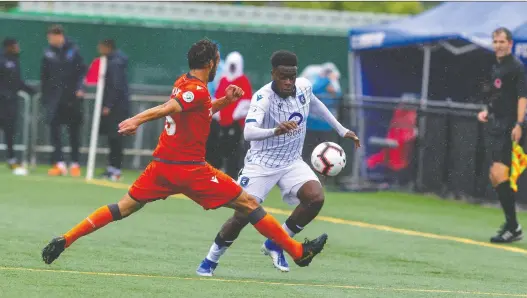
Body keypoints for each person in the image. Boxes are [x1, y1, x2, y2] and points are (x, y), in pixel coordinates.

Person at [41, 40, 328, 269]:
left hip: (161, 168)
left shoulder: (186, 83)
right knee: (249, 203)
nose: (218, 64)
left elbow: (196, 110)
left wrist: (225, 101)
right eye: (216, 60)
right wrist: (136, 120)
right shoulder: (194, 90)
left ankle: (66, 239)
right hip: (190, 170)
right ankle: (297, 252)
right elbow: (170, 108)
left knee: (121, 208)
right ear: (211, 63)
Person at [196, 50, 360, 276]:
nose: (288, 81)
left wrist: (342, 130)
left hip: (292, 162)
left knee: (315, 197)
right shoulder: (263, 98)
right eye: (283, 76)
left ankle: (276, 243)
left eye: (292, 76)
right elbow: (249, 132)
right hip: (261, 163)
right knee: (242, 215)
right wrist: (275, 130)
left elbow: (316, 104)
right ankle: (210, 260)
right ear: (273, 74)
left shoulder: (303, 86)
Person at [477, 27, 527, 243]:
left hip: (509, 127)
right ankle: (511, 223)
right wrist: (487, 112)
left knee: (500, 173)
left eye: (502, 41)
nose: (498, 45)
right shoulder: (496, 67)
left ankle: (513, 226)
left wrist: (519, 123)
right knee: (495, 175)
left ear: (510, 44)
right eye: (495, 41)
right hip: (496, 125)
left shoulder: (516, 67)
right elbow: (497, 96)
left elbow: (521, 98)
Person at [40, 24, 86, 177]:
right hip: (54, 99)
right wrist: (46, 97)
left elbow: (81, 72)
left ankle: (75, 163)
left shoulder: (74, 51)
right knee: (55, 132)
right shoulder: (47, 53)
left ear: (59, 36)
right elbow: (44, 77)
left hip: (72, 99)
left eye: (52, 37)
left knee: (74, 132)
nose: (50, 40)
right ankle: (59, 164)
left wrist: (80, 88)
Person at [210, 51, 252, 178]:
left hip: (234, 124)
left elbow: (246, 102)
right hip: (219, 122)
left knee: (233, 152)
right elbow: (217, 97)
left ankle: (231, 177)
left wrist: (235, 115)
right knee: (216, 149)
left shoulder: (243, 80)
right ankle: (215, 175)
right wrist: (216, 115)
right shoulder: (223, 79)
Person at [96, 39, 130, 181]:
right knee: (112, 138)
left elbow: (115, 86)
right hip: (117, 107)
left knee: (116, 138)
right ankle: (112, 168)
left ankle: (116, 169)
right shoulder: (111, 61)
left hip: (117, 109)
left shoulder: (115, 63)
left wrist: (108, 105)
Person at [0, 38, 35, 169]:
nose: (17, 47)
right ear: (9, 46)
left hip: (10, 104)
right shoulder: (1, 60)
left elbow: (17, 81)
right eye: (15, 45)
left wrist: (30, 90)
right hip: (1, 102)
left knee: (10, 132)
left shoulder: (15, 61)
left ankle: (11, 159)